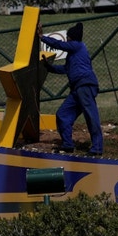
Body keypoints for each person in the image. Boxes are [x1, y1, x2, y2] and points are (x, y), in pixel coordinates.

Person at [38, 22, 103, 155]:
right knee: (62, 114)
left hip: (84, 86)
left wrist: (41, 37)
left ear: (71, 38)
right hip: (77, 89)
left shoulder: (77, 46)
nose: (66, 39)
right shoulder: (74, 53)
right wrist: (50, 68)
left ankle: (97, 148)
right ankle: (67, 144)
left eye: (67, 37)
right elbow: (66, 69)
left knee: (91, 116)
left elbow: (59, 45)